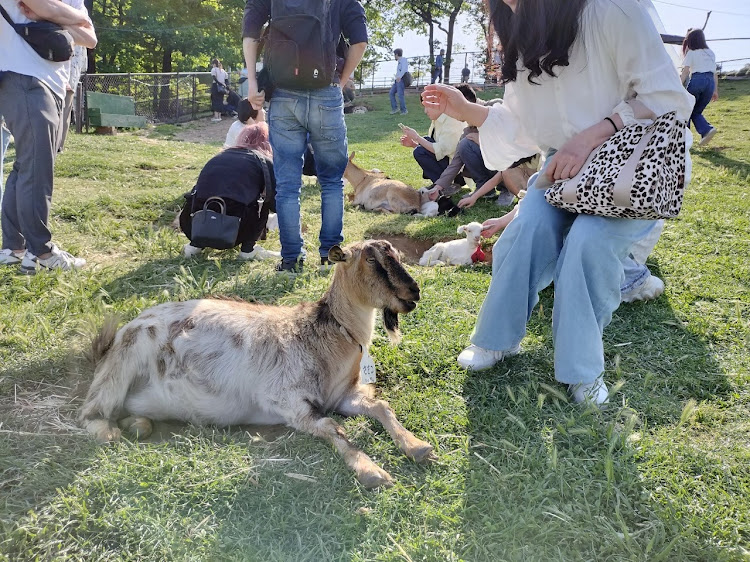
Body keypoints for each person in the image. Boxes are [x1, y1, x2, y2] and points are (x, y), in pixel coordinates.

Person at [422, 0, 693, 405]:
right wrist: (468, 111)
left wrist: (595, 134)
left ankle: (583, 370)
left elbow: (668, 97)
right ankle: (497, 339)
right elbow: (524, 124)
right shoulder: (520, 31)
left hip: (630, 166)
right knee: (527, 230)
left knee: (589, 243)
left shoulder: (611, 9)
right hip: (563, 166)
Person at [242, 0, 368, 273]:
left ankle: (291, 260)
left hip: (284, 95)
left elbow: (251, 31)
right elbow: (359, 42)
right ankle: (330, 256)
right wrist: (340, 83)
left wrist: (253, 82)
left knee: (287, 185)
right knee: (332, 181)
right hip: (326, 90)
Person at [0, 0, 96, 273]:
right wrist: (71, 18)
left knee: (25, 165)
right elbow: (41, 6)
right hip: (26, 79)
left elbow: (90, 38)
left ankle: (14, 248)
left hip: (49, 83)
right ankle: (41, 253)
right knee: (37, 168)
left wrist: (60, 17)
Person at [181, 122, 280, 261]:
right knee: (263, 201)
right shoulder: (264, 161)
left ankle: (195, 245)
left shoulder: (220, 156)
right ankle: (248, 250)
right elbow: (276, 201)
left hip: (196, 223)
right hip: (235, 229)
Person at [399, 84, 473, 185]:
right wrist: (413, 144)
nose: (425, 111)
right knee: (424, 142)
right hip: (451, 164)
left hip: (459, 171)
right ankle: (441, 184)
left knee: (420, 149)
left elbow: (441, 150)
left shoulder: (452, 120)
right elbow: (434, 150)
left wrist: (417, 137)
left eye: (427, 107)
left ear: (437, 104)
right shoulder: (438, 119)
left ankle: (443, 185)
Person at [680, 28, 718, 147]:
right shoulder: (711, 53)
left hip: (697, 80)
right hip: (710, 83)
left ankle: (685, 138)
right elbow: (714, 73)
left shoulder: (692, 52)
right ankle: (706, 130)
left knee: (687, 108)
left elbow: (685, 71)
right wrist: (715, 90)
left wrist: (679, 85)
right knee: (696, 111)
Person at [389, 48, 408, 115]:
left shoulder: (403, 60)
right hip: (397, 80)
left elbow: (404, 69)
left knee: (400, 95)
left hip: (401, 79)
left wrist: (399, 77)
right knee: (391, 93)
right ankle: (395, 108)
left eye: (394, 55)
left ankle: (404, 110)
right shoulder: (399, 62)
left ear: (397, 54)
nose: (394, 56)